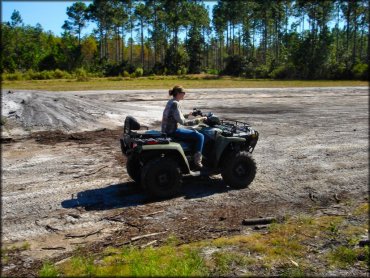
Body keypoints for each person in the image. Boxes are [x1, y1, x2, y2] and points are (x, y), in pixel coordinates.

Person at [161, 85, 207, 169]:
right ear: (178, 93)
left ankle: (191, 154)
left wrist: (190, 115)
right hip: (172, 131)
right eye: (183, 93)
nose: (184, 94)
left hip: (166, 129)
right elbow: (183, 122)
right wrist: (200, 120)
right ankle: (197, 160)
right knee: (200, 136)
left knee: (193, 132)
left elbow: (177, 116)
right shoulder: (175, 104)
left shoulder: (171, 102)